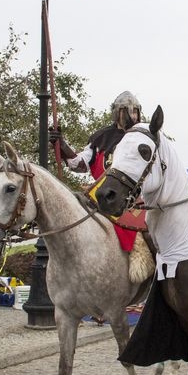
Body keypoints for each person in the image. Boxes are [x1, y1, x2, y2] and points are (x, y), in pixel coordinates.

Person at [50, 91, 143, 254]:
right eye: (126, 111)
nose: (131, 116)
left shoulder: (143, 135)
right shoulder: (102, 137)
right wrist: (62, 145)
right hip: (102, 202)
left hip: (137, 204)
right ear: (117, 113)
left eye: (134, 111)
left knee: (152, 240)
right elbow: (79, 164)